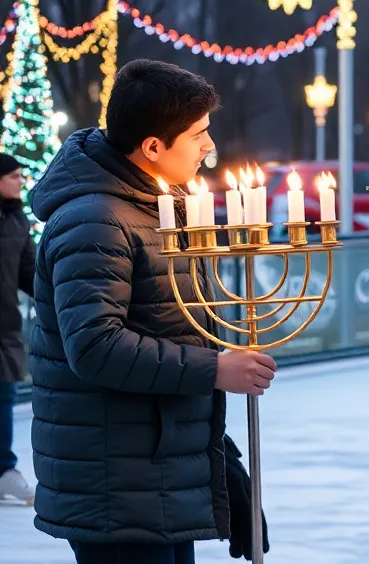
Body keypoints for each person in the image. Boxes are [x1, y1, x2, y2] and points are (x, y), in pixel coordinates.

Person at [28, 60, 272, 564]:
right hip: (116, 483)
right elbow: (95, 348)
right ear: (153, 147)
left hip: (156, 472)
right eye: (199, 134)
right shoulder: (95, 219)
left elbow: (173, 327)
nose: (209, 146)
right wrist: (216, 369)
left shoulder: (156, 207)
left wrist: (219, 464)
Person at [0, 153, 35, 506]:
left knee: (4, 397)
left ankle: (4, 470)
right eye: (14, 176)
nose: (20, 182)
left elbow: (30, 272)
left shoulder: (17, 220)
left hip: (5, 326)